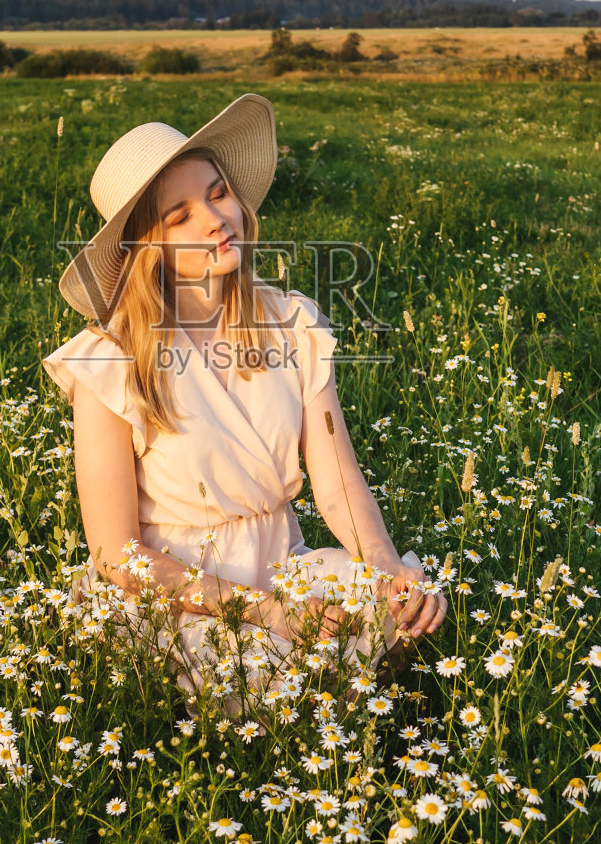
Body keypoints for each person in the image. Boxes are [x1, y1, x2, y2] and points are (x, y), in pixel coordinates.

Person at [41, 93, 445, 717]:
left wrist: (390, 569)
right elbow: (115, 555)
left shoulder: (290, 324)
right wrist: (265, 612)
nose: (214, 219)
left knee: (402, 606)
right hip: (178, 591)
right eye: (180, 216)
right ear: (145, 249)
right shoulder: (110, 361)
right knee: (265, 673)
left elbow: (336, 486)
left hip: (281, 563)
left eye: (218, 192)